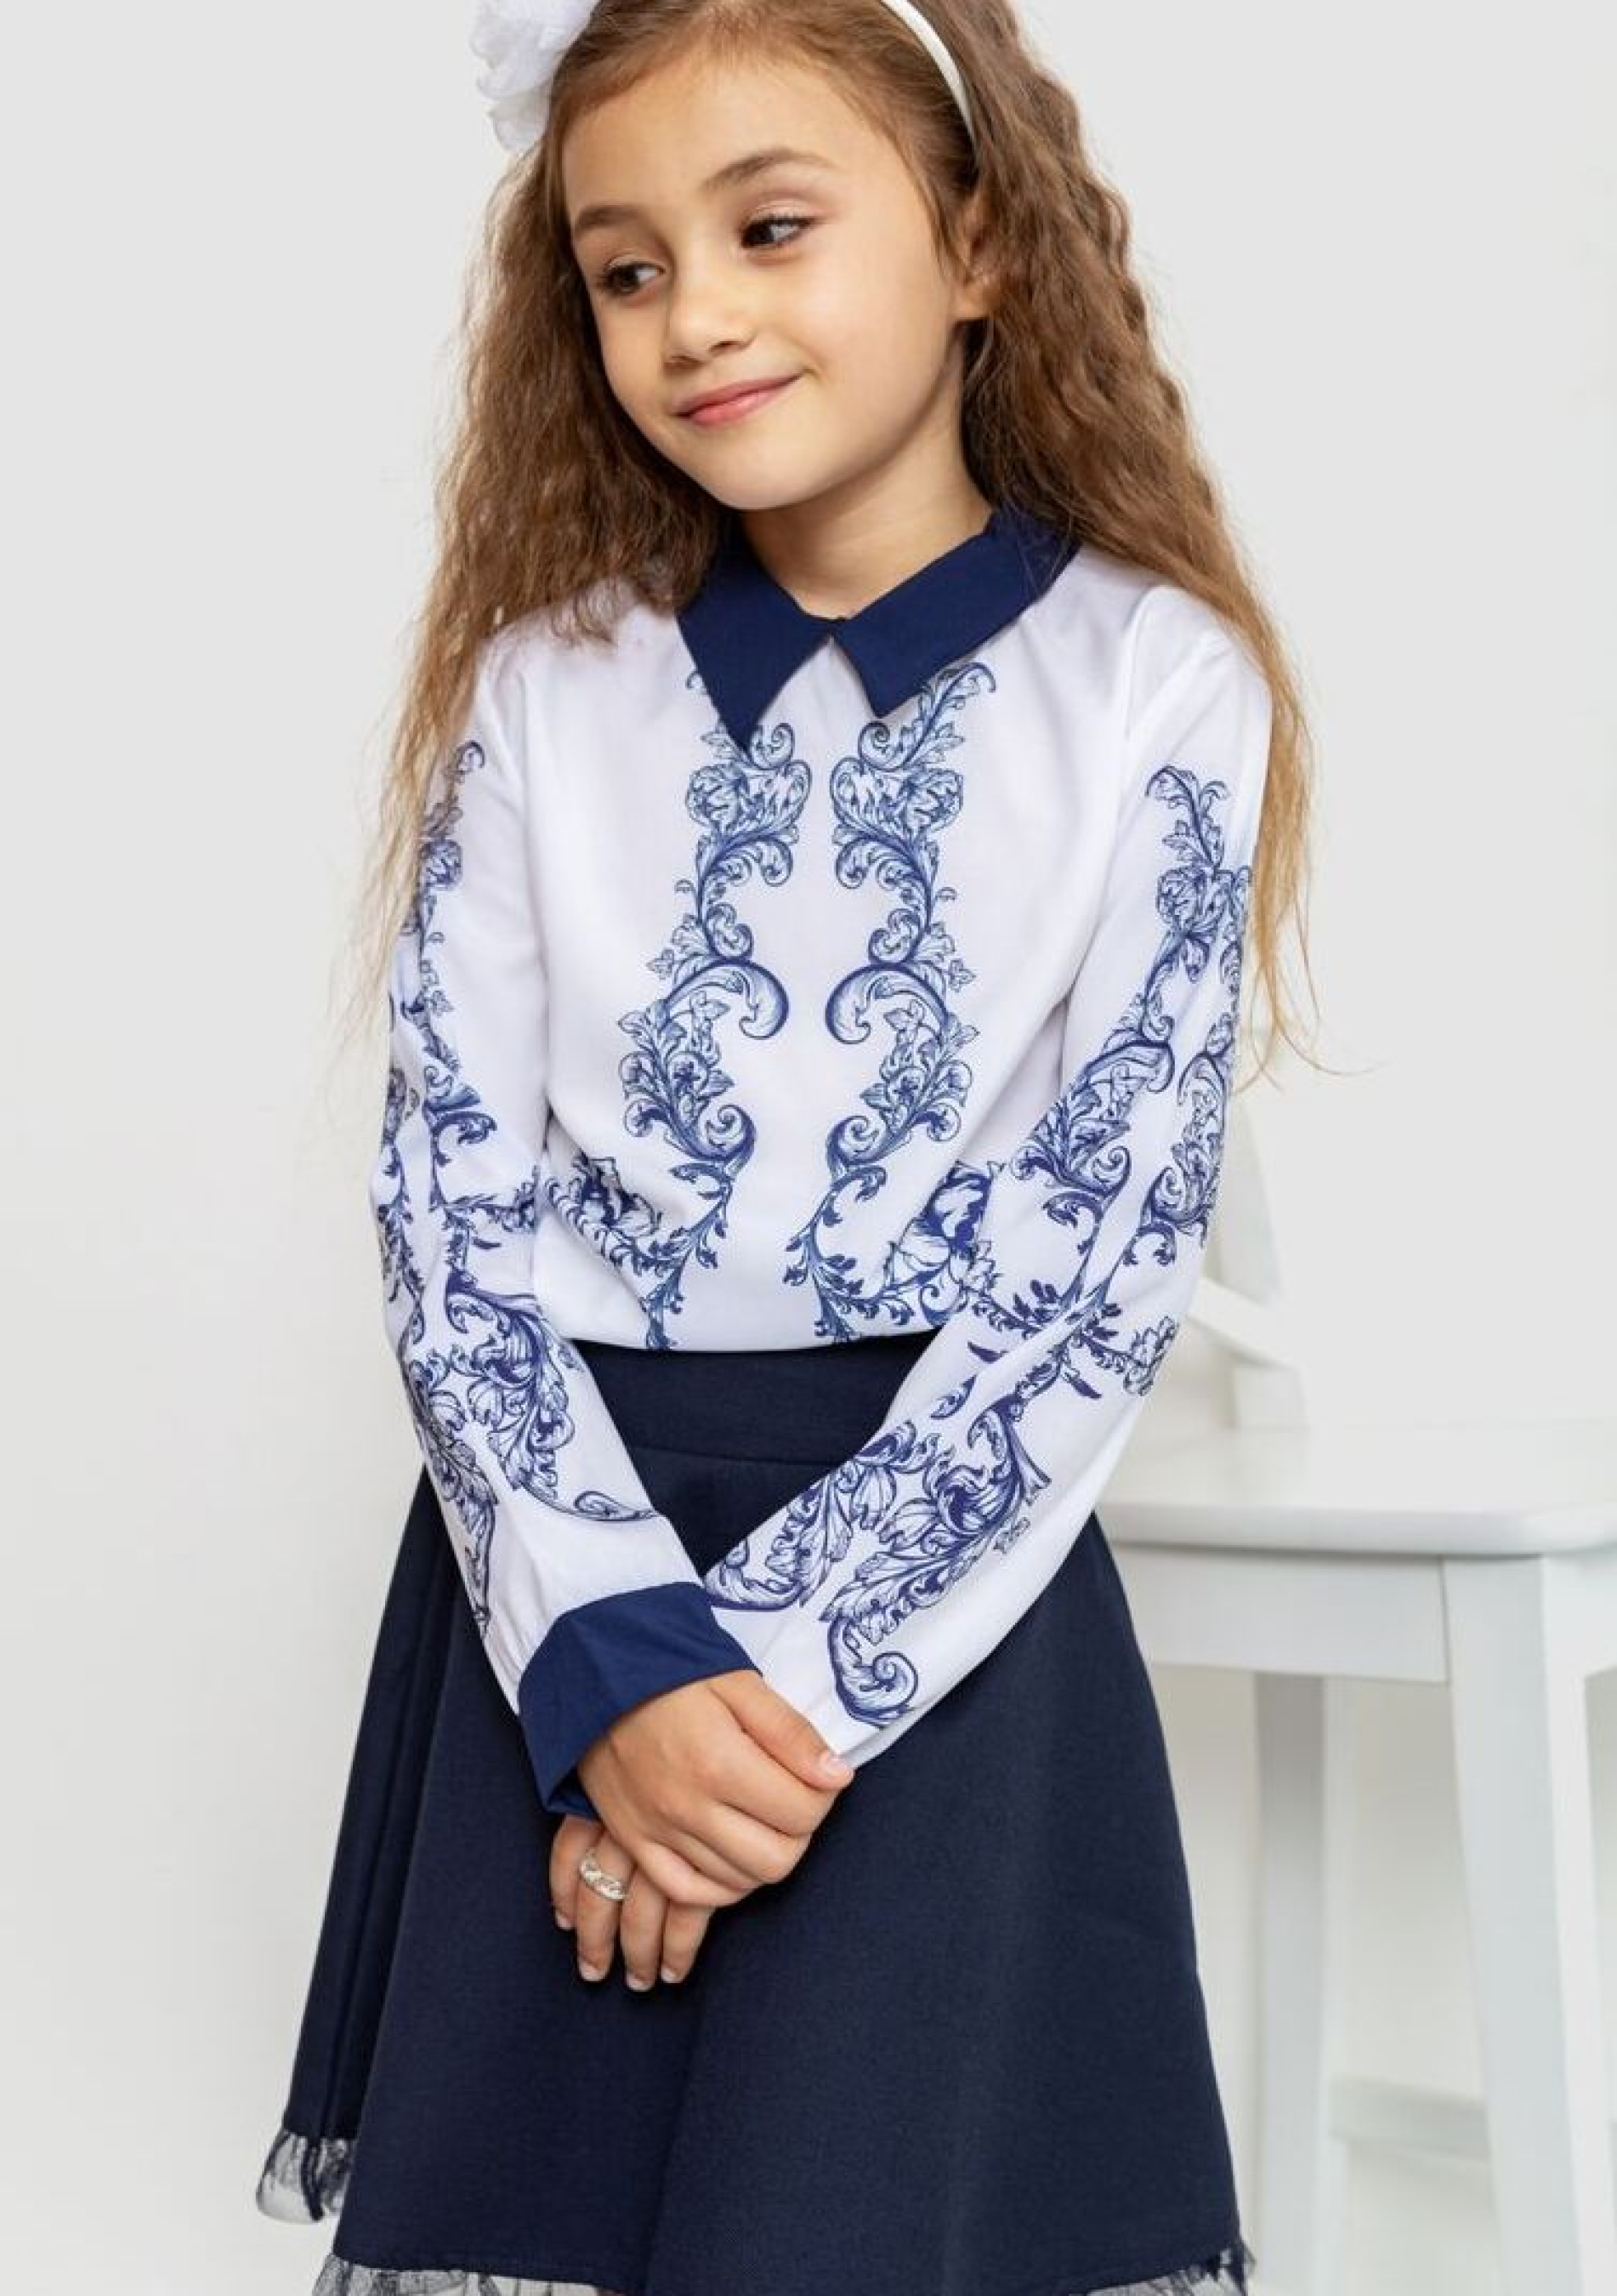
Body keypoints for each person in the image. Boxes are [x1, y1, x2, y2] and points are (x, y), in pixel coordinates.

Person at [253, 2, 1320, 2292]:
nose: (695, 316)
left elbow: (1098, 1259)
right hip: (566, 1563)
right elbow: (449, 1213)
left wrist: (769, 1708)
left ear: (977, 243)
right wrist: (612, 1664)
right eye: (624, 269)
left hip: (945, 1594)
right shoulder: (545, 689)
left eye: (769, 229)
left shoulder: (1157, 680)